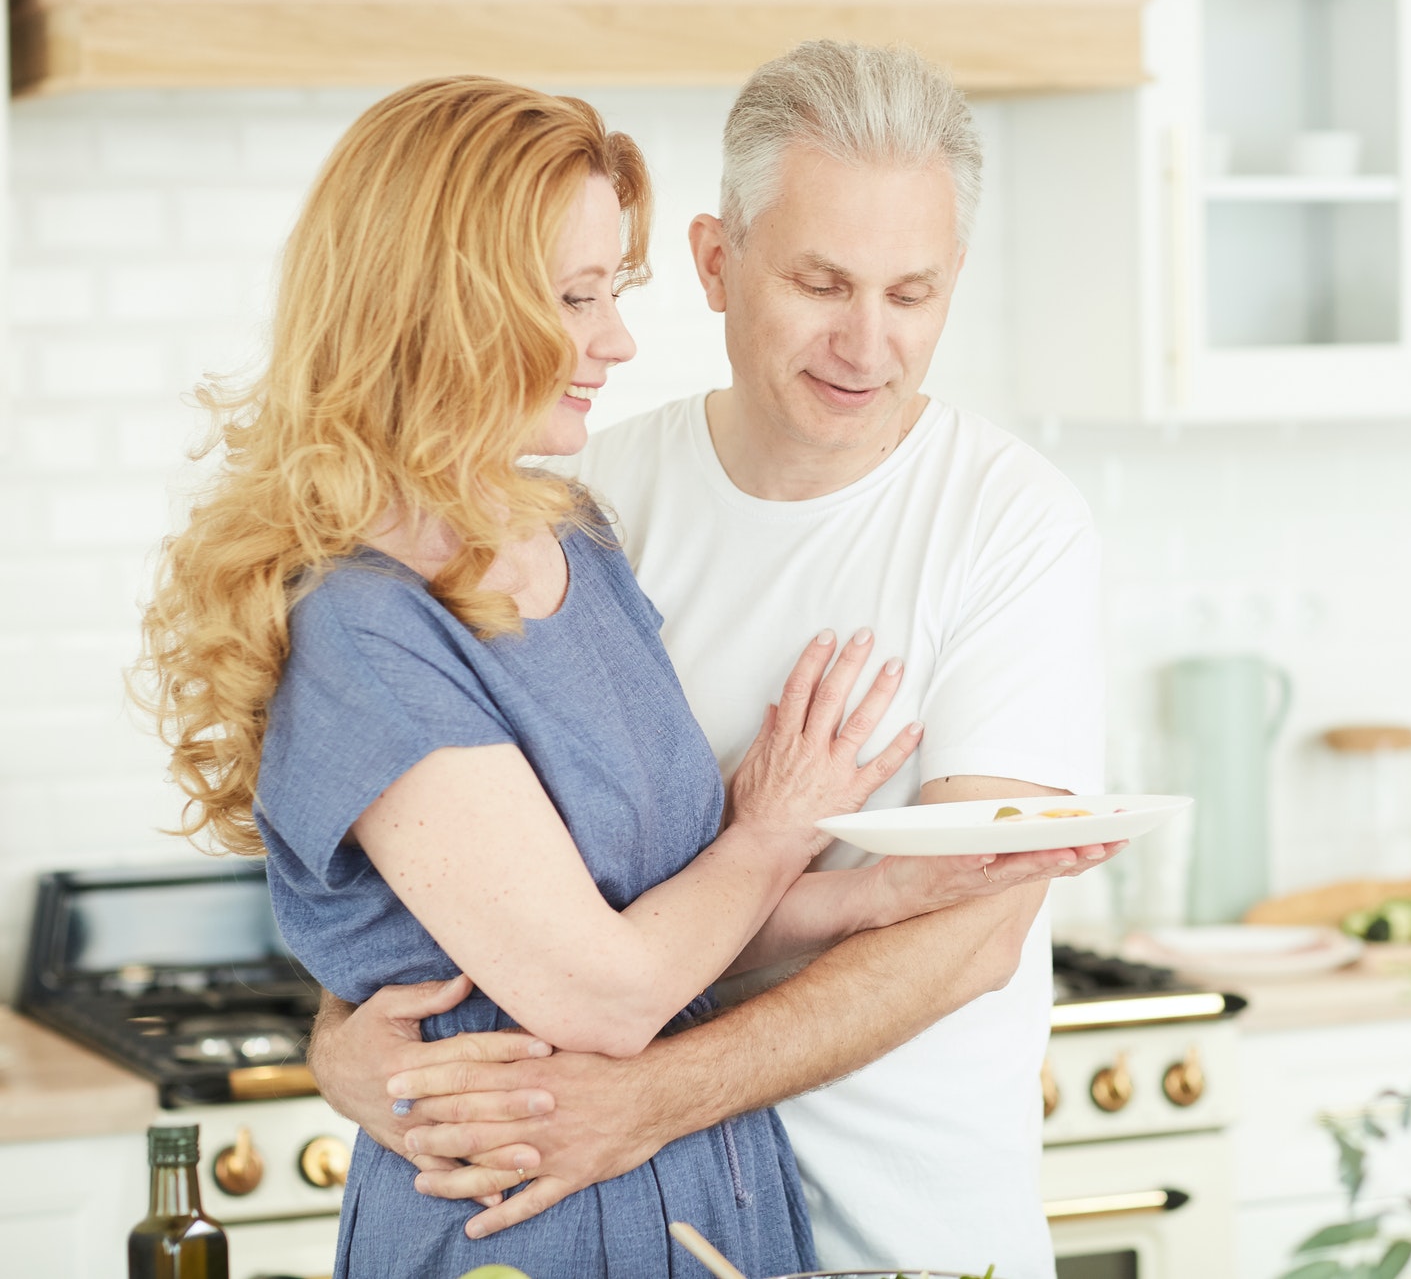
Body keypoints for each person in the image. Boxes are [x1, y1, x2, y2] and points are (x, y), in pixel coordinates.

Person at [136, 74, 1095, 1278]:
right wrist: (343, 1037)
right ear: (717, 261)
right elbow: (539, 953)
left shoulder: (991, 520)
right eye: (817, 283)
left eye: (911, 293)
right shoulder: (565, 514)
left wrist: (870, 894)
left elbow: (954, 932)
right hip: (551, 1207)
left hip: (810, 1214)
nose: (868, 341)